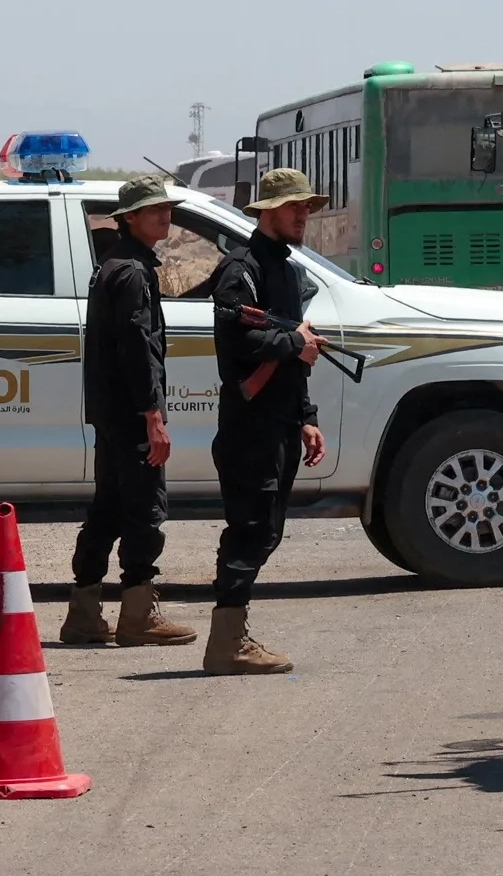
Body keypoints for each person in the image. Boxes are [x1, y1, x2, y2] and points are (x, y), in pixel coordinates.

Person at [204, 168, 332, 675]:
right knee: (251, 529)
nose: (304, 215)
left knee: (267, 531)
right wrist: (296, 343)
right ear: (268, 212)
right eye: (295, 206)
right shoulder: (242, 269)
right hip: (249, 425)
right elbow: (238, 345)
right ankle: (227, 643)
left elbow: (289, 357)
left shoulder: (287, 270)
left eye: (305, 207)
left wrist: (306, 416)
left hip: (279, 421)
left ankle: (231, 636)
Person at [63, 175, 196, 649]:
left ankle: (84, 612)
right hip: (132, 415)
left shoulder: (114, 266)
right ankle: (137, 615)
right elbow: (138, 349)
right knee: (144, 511)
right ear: (129, 218)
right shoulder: (133, 272)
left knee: (109, 508)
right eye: (153, 210)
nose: (165, 216)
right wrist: (152, 415)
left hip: (112, 415)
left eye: (166, 208)